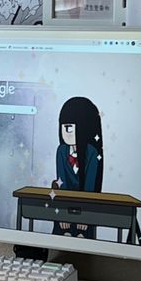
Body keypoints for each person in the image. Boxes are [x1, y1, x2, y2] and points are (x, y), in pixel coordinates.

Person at [53, 96, 103, 238]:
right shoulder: (61, 151)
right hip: (65, 205)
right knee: (63, 233)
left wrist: (84, 214)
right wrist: (63, 213)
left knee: (82, 236)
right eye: (64, 127)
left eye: (69, 127)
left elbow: (90, 186)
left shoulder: (92, 153)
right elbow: (62, 183)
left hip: (85, 207)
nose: (65, 132)